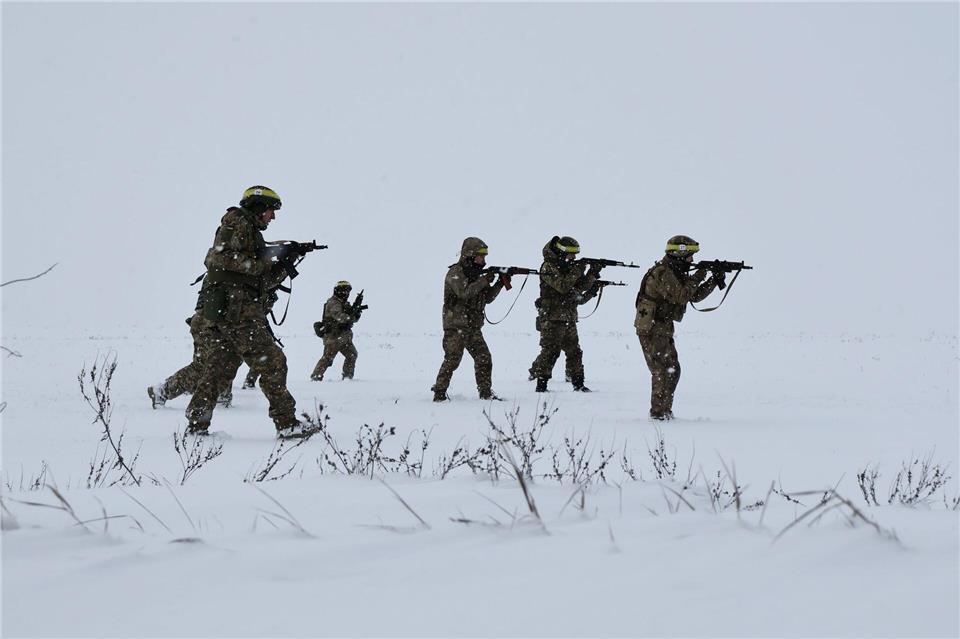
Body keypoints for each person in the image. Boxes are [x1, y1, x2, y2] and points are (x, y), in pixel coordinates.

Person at [184, 185, 317, 438]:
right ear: (258, 207)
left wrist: (286, 263)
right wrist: (264, 261)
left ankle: (197, 423)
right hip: (237, 313)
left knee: (218, 368)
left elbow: (260, 282)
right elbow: (217, 259)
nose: (273, 217)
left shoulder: (249, 231)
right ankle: (286, 423)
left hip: (233, 311)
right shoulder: (236, 221)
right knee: (274, 363)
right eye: (270, 211)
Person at [634, 235, 723, 420]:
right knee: (661, 370)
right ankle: (658, 413)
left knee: (673, 369)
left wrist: (714, 280)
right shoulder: (662, 272)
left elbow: (694, 296)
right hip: (652, 327)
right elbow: (682, 295)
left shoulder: (675, 272)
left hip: (662, 327)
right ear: (678, 254)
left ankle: (665, 410)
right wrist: (700, 274)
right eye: (689, 256)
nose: (692, 260)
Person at [431, 237, 509, 401]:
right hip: (456, 325)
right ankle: (439, 393)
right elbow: (464, 293)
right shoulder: (456, 272)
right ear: (470, 255)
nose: (484, 260)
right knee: (452, 360)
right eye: (481, 256)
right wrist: (484, 280)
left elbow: (487, 298)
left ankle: (485, 393)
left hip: (472, 326)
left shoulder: (477, 274)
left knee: (484, 358)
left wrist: (500, 283)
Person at [528, 236, 602, 393]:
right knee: (550, 351)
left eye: (575, 254)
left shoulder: (568, 267)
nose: (574, 257)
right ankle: (541, 385)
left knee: (574, 351)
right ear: (562, 253)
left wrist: (592, 273)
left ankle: (578, 383)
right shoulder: (548, 267)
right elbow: (562, 286)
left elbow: (578, 287)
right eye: (571, 254)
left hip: (567, 316)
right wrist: (579, 269)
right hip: (552, 317)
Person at [147, 310, 239, 408]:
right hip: (208, 325)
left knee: (227, 360)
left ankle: (220, 395)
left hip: (219, 325)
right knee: (202, 366)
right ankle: (162, 392)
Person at [310, 280, 361, 381]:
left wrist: (356, 312)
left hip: (344, 336)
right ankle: (316, 377)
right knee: (327, 359)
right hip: (333, 337)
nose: (345, 293)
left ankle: (347, 377)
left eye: (347, 291)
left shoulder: (344, 303)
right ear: (338, 290)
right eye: (343, 290)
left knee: (351, 355)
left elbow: (352, 319)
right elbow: (339, 316)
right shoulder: (334, 302)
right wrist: (350, 316)